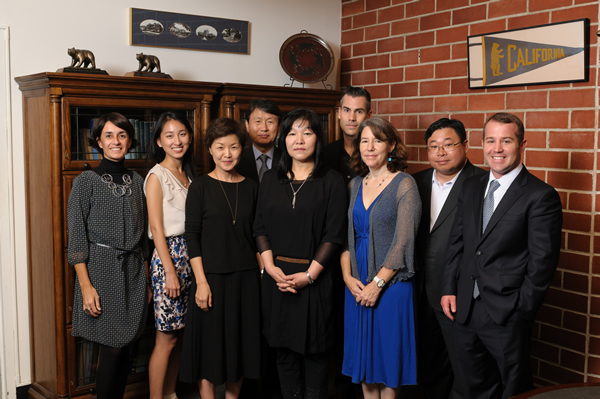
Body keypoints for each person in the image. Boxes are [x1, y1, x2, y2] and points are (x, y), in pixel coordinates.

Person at [441, 113, 563, 399]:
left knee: (513, 389)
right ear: (481, 144)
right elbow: (457, 242)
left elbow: (542, 262)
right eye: (491, 141)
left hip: (506, 312)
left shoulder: (540, 195)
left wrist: (521, 311)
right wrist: (449, 287)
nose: (497, 149)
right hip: (465, 309)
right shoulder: (470, 187)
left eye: (506, 141)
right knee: (470, 387)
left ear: (522, 145)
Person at [254, 108, 347, 399]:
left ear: (317, 139)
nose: (299, 139)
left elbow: (334, 235)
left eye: (307, 132)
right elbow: (259, 228)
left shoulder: (332, 181)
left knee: (316, 355)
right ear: (284, 139)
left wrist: (309, 275)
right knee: (283, 353)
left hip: (315, 279)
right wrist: (270, 269)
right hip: (277, 278)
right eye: (292, 132)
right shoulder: (271, 179)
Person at [67, 112, 149, 399]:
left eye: (122, 135)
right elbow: (76, 239)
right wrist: (86, 287)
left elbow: (145, 236)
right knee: (112, 347)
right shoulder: (85, 182)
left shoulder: (138, 182)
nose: (116, 141)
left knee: (127, 347)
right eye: (109, 135)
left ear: (130, 140)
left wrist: (147, 279)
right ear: (98, 142)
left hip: (135, 270)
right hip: (101, 271)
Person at [180, 118, 261, 399]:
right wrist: (201, 283)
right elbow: (192, 237)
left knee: (240, 348)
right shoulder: (200, 187)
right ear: (210, 150)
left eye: (234, 147)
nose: (228, 154)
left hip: (246, 280)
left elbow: (258, 235)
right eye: (220, 147)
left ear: (242, 149)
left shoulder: (252, 186)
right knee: (209, 350)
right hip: (211, 279)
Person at [341, 117, 420, 399]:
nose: (370, 147)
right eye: (364, 140)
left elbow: (403, 241)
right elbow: (345, 238)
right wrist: (348, 278)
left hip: (391, 285)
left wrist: (377, 284)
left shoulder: (404, 184)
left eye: (377, 140)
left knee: (388, 367)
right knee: (364, 366)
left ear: (391, 145)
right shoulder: (354, 185)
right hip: (357, 284)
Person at [413, 118, 485, 399]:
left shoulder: (481, 183)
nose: (440, 152)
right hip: (417, 289)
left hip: (457, 292)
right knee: (424, 363)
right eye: (433, 146)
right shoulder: (414, 182)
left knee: (464, 367)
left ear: (465, 146)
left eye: (448, 144)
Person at [145, 112, 197, 399]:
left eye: (182, 134)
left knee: (181, 336)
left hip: (192, 256)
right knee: (166, 338)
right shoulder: (157, 175)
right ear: (159, 141)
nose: (177, 141)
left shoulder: (188, 174)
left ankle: (170, 393)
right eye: (169, 135)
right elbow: (156, 227)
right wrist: (170, 271)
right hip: (171, 258)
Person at [324, 85, 372, 185]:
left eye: (359, 111)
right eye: (347, 110)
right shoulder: (324, 154)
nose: (351, 118)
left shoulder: (376, 154)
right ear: (339, 113)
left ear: (369, 116)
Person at [236, 98, 282, 182]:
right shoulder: (236, 159)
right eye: (258, 121)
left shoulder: (287, 159)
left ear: (279, 127)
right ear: (247, 125)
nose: (264, 128)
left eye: (270, 122)